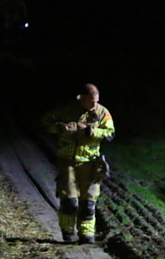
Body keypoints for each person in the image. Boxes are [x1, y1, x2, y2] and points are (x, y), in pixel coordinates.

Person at [42, 84, 115, 243]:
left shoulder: (102, 112)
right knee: (69, 199)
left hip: (90, 162)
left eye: (96, 101)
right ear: (81, 99)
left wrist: (90, 131)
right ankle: (68, 232)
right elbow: (46, 122)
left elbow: (110, 134)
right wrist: (60, 128)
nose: (94, 104)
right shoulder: (66, 110)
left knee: (88, 201)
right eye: (91, 101)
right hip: (67, 160)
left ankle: (86, 234)